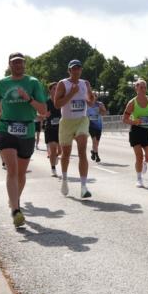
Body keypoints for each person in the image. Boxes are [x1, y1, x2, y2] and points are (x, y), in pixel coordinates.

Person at [0, 52, 48, 227]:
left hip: (27, 129)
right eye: (15, 62)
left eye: (21, 62)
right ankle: (16, 210)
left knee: (21, 174)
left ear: (24, 64)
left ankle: (14, 199)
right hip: (6, 128)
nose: (18, 65)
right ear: (9, 64)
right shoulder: (1, 84)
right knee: (12, 170)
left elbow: (43, 110)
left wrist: (28, 98)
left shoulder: (33, 83)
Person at [52, 59, 94, 199]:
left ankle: (83, 187)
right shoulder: (63, 84)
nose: (76, 71)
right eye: (73, 69)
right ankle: (64, 179)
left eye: (78, 68)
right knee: (66, 154)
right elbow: (57, 104)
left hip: (82, 120)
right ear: (69, 71)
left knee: (82, 151)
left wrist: (91, 98)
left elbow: (90, 101)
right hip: (67, 122)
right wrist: (71, 93)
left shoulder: (85, 83)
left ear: (81, 70)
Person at [123, 78, 148, 187]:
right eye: (141, 87)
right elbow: (124, 119)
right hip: (136, 131)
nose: (143, 89)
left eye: (145, 87)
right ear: (136, 88)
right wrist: (134, 121)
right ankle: (139, 179)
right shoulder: (132, 103)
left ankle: (144, 163)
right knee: (138, 156)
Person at [42, 83, 62, 176]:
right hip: (50, 128)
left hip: (60, 129)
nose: (56, 90)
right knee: (53, 149)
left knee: (60, 151)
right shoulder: (47, 102)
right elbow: (41, 113)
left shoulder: (61, 101)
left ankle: (54, 157)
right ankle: (53, 169)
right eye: (54, 88)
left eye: (57, 88)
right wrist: (45, 115)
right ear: (50, 90)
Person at [88, 93, 108, 162]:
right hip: (90, 125)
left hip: (98, 125)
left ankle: (93, 152)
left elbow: (104, 113)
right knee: (94, 141)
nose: (93, 97)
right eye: (92, 96)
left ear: (96, 97)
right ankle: (97, 156)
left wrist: (101, 110)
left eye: (95, 96)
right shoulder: (87, 104)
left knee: (97, 142)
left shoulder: (100, 104)